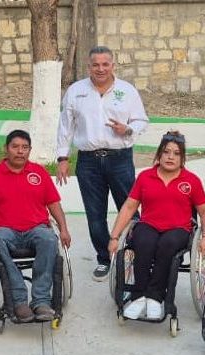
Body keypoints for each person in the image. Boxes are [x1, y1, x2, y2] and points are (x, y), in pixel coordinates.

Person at [56, 45, 148, 282]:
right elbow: (65, 127)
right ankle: (105, 259)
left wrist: (128, 129)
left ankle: (136, 255)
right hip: (88, 162)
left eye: (105, 64)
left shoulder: (127, 91)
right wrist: (63, 158)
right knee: (95, 215)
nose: (100, 69)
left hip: (120, 159)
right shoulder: (76, 91)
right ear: (88, 66)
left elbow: (141, 120)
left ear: (113, 65)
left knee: (129, 210)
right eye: (95, 65)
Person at [107, 131, 205, 320]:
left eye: (176, 153)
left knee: (167, 244)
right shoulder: (145, 177)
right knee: (143, 241)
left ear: (182, 158)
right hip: (149, 224)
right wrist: (114, 237)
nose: (170, 157)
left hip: (178, 228)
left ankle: (155, 297)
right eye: (166, 152)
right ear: (159, 154)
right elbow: (129, 206)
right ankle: (139, 296)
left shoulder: (191, 180)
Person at [0, 129, 72, 322]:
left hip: (36, 228)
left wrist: (64, 229)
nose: (20, 151)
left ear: (30, 150)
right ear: (6, 149)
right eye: (15, 147)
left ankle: (40, 301)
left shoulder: (39, 172)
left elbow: (53, 204)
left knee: (49, 239)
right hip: (4, 230)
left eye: (25, 147)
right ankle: (19, 301)